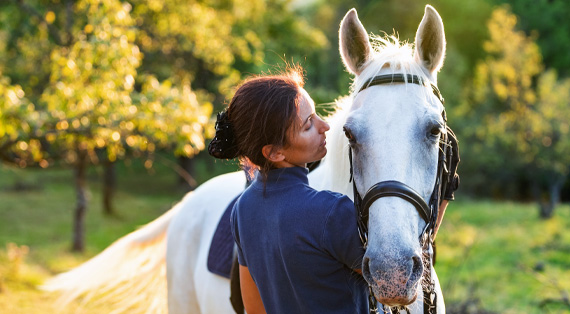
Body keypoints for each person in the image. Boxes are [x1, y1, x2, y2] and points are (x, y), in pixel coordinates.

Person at [208, 67, 370, 314]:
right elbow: (394, 281)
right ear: (274, 152)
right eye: (308, 125)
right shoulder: (333, 212)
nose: (325, 125)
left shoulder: (243, 208)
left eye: (316, 115)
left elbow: (254, 309)